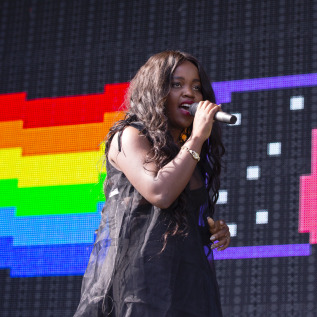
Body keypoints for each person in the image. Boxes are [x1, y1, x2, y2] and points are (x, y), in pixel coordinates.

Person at [74, 50, 230, 316]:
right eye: (176, 84)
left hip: (187, 287)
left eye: (196, 87)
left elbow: (169, 221)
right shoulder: (130, 135)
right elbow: (160, 192)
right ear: (156, 91)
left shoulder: (185, 153)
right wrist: (196, 139)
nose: (189, 93)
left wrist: (212, 231)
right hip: (138, 290)